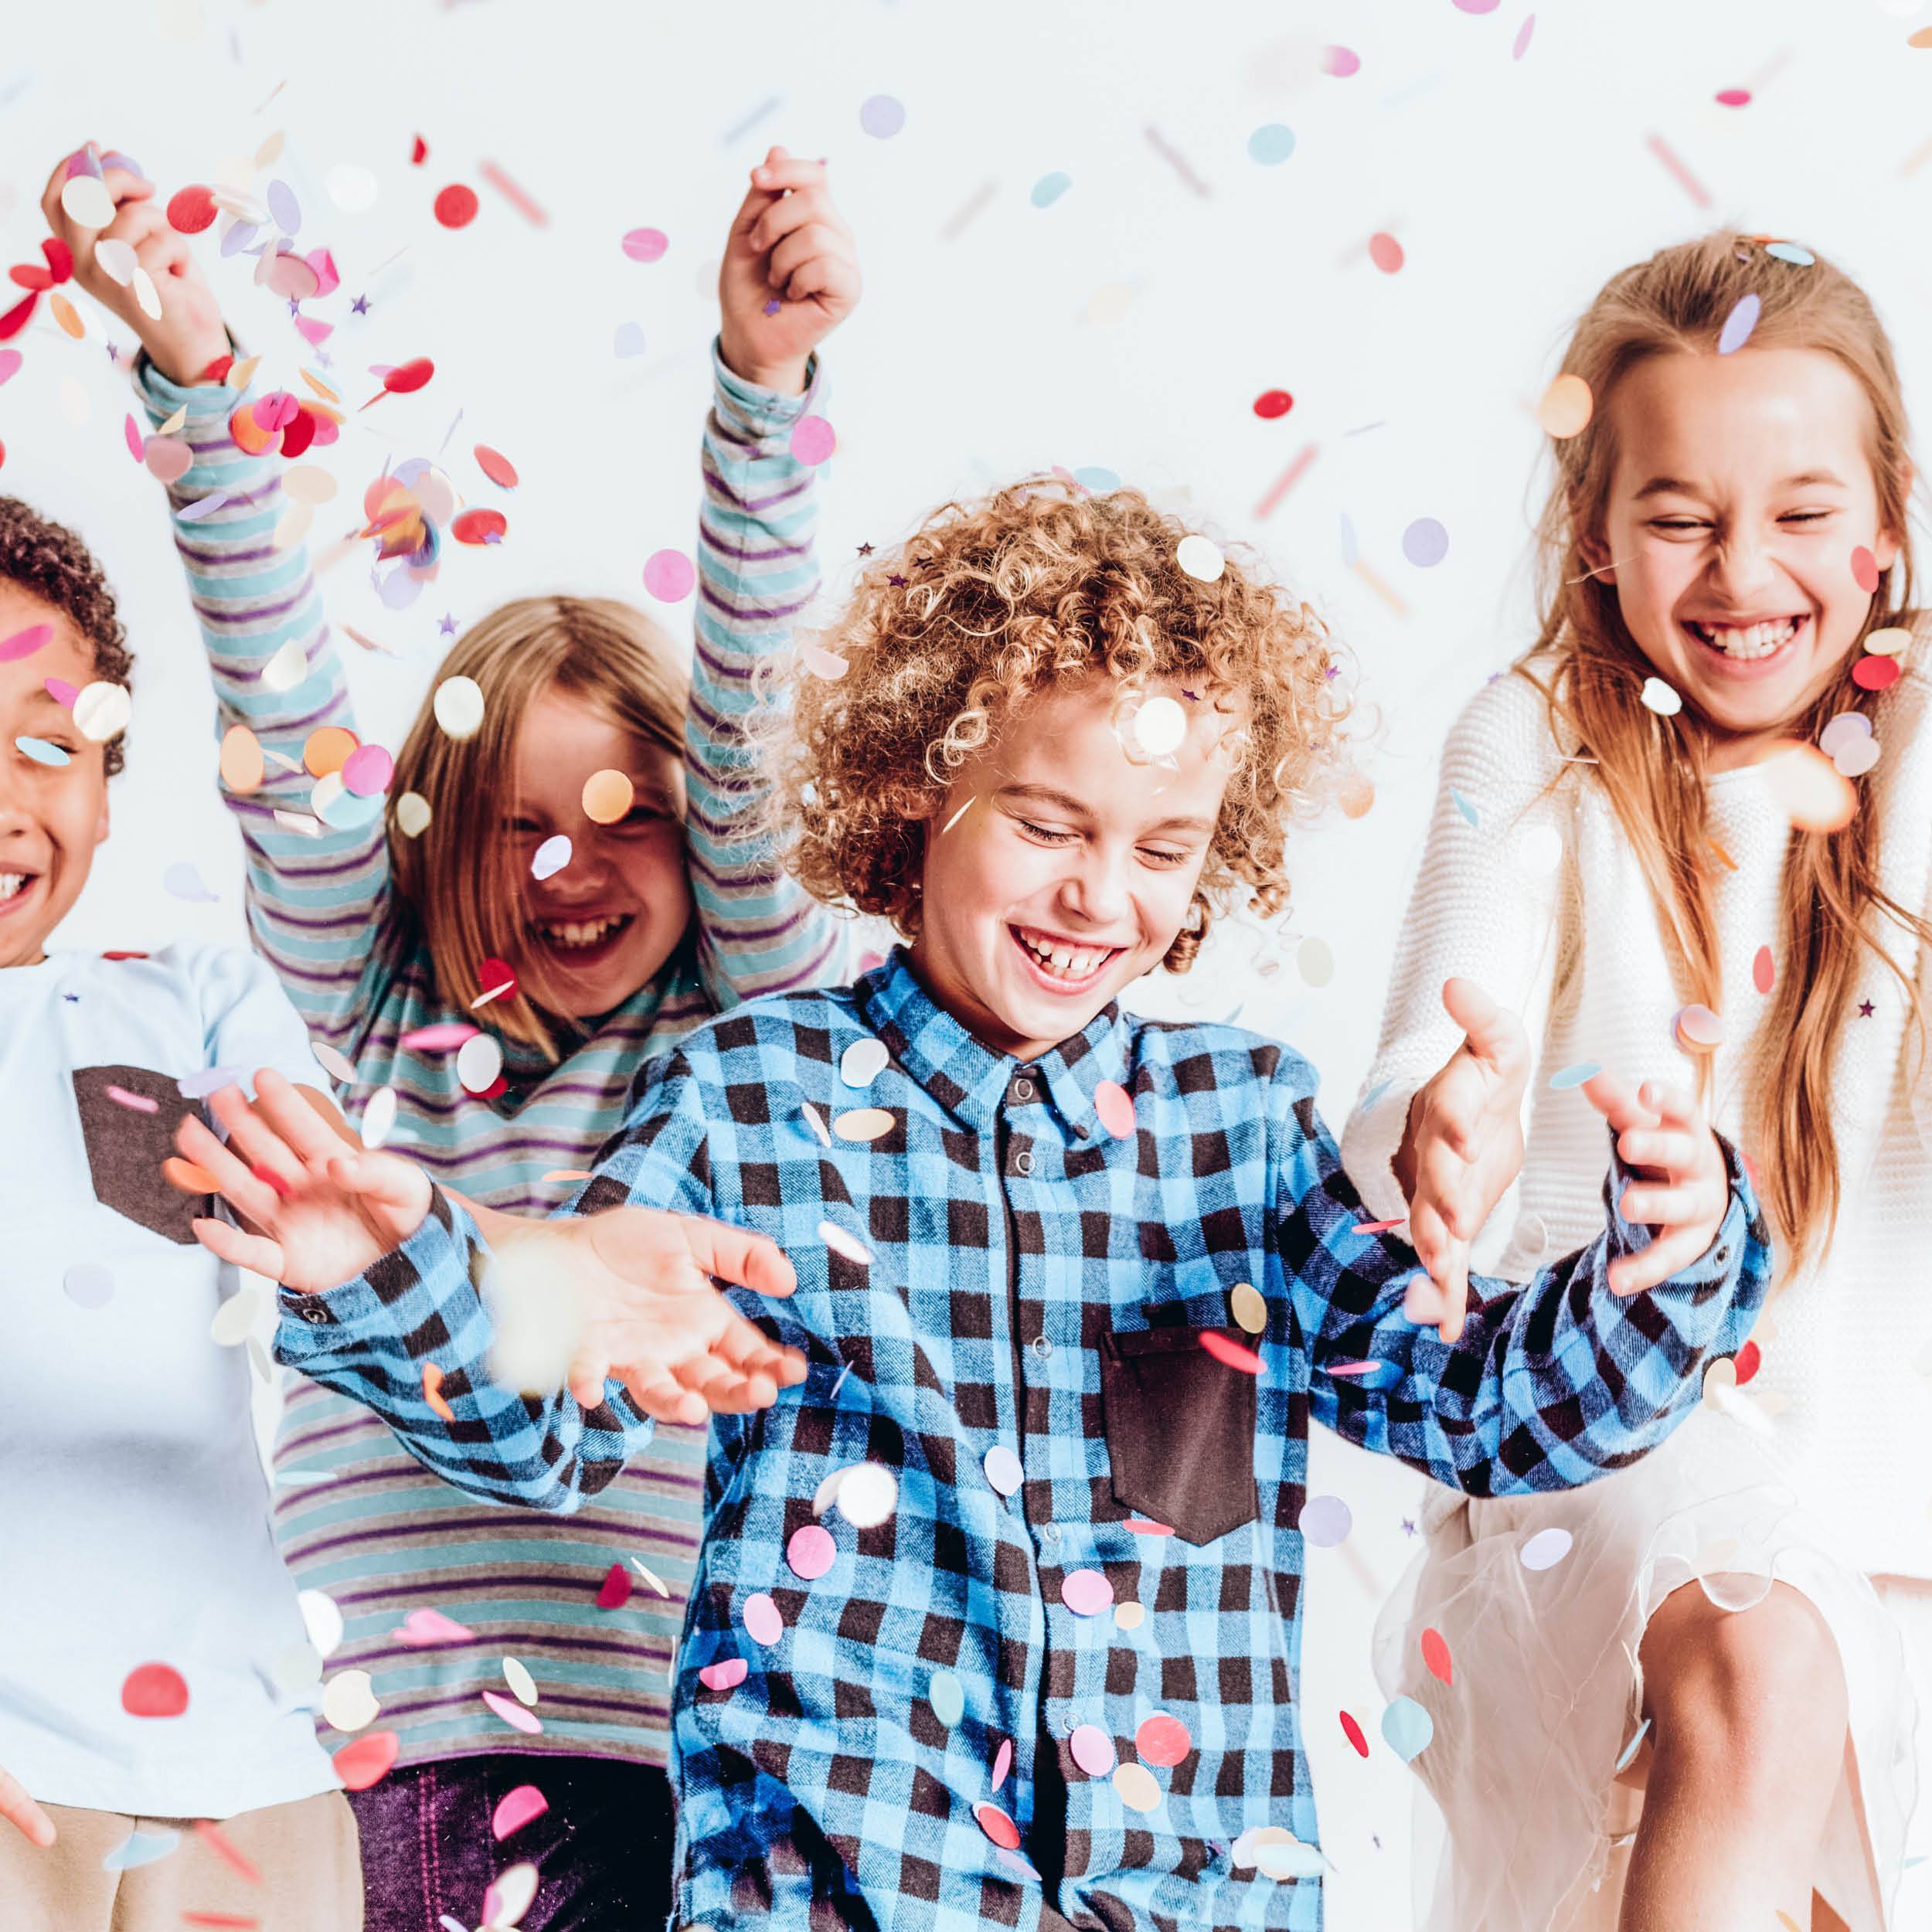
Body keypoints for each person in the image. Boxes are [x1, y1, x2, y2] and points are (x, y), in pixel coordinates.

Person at [184, 479, 1770, 1930]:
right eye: (1045, 823)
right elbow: (556, 1413)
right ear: (914, 789)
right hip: (843, 1891)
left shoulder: (1243, 1129)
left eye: (1160, 845)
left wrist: (1667, 1249)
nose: (1100, 895)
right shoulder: (746, 1099)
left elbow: (1478, 1409)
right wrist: (382, 1271)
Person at [41, 134, 859, 1930]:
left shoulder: (747, 1033)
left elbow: (750, 735)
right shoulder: (374, 1002)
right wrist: (194, 386)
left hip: (709, 1736)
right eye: (516, 822)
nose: (572, 866)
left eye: (627, 813)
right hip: (427, 1739)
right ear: (433, 841)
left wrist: (763, 387)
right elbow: (285, 701)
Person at [1340, 230, 1932, 1930]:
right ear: (1592, 533)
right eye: (1677, 513)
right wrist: (1441, 1119)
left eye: (1801, 511)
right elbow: (1426, 1054)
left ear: (1886, 516)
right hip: (1620, 1461)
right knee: (1757, 1646)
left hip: (1891, 1507)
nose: (1743, 568)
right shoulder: (1536, 737)